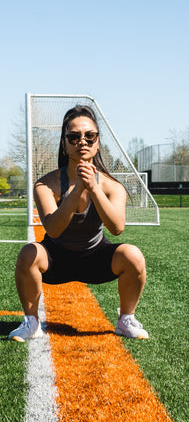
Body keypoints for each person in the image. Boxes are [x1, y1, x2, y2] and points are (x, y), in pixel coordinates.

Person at [9, 105, 148, 342]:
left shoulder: (113, 186)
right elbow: (53, 229)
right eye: (73, 137)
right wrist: (76, 190)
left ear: (97, 141)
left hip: (95, 257)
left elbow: (116, 228)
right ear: (64, 144)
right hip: (56, 258)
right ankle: (31, 322)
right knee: (28, 253)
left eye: (89, 136)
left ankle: (126, 320)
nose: (81, 141)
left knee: (133, 256)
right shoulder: (46, 184)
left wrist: (93, 187)